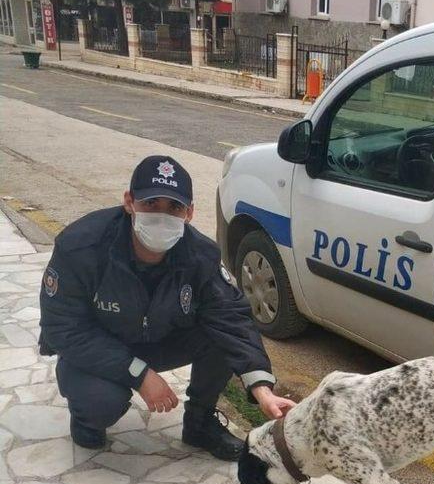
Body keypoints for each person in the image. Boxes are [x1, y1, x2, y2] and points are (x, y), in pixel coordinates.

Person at [39, 155, 293, 460]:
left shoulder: (201, 255)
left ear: (189, 213)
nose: (162, 216)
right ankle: (86, 421)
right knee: (100, 402)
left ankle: (199, 424)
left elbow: (231, 319)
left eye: (174, 207)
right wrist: (140, 374)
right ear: (129, 202)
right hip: (101, 345)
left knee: (219, 335)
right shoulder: (81, 247)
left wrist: (262, 389)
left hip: (158, 338)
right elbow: (63, 328)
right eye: (151, 204)